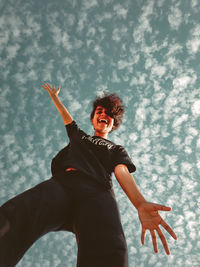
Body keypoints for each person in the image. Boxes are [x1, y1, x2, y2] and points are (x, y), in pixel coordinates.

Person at [0, 83, 177, 267]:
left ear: (113, 123)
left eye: (108, 114)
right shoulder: (80, 137)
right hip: (63, 185)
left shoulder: (115, 148)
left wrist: (139, 202)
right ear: (92, 119)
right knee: (17, 215)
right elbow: (68, 119)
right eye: (99, 111)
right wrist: (55, 98)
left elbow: (121, 170)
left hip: (97, 194)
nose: (103, 115)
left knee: (109, 248)